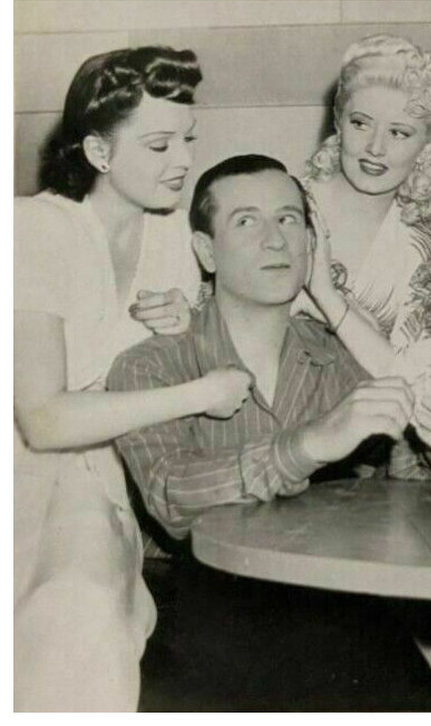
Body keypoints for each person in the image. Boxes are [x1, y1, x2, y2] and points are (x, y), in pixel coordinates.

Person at [12, 46, 251, 711]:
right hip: (21, 482)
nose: (182, 160)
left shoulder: (172, 237)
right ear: (98, 151)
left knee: (86, 615)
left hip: (101, 486)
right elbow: (43, 419)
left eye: (187, 139)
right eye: (158, 144)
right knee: (70, 615)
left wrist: (183, 334)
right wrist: (198, 390)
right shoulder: (35, 229)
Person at [108, 154, 431, 539]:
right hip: (206, 574)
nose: (275, 240)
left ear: (310, 242)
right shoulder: (150, 366)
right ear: (206, 252)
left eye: (287, 219)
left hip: (325, 569)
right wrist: (306, 445)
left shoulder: (340, 358)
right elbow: (171, 496)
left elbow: (398, 471)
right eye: (246, 222)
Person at [301, 34, 431, 479]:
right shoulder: (280, 205)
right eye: (361, 123)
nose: (376, 148)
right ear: (338, 121)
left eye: (399, 132)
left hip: (355, 480)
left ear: (427, 146)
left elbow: (424, 393)